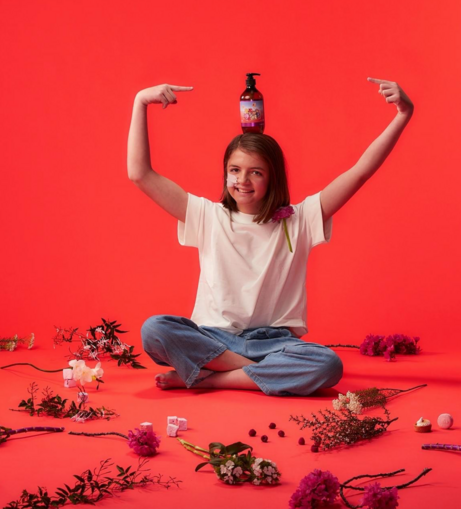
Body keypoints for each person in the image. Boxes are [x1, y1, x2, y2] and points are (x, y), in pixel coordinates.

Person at [127, 78, 414, 396]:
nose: (242, 180)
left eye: (256, 172)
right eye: (234, 170)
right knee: (155, 329)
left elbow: (360, 172)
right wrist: (141, 102)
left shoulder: (299, 220)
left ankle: (210, 378)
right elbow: (140, 174)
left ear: (272, 177)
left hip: (274, 344)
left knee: (328, 364)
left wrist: (403, 115)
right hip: (214, 339)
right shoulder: (208, 215)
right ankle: (250, 374)